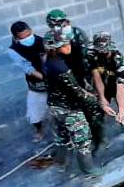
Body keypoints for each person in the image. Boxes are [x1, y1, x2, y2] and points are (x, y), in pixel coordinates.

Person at [42, 32, 113, 176]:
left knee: (62, 138)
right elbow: (77, 93)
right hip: (70, 110)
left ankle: (61, 163)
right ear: (55, 48)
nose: (69, 47)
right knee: (83, 142)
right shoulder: (60, 67)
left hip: (54, 107)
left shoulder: (47, 60)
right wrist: (98, 100)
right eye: (65, 45)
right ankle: (89, 171)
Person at [87, 31, 124, 166]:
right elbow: (96, 77)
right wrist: (102, 99)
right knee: (96, 113)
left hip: (118, 86)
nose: (103, 54)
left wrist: (121, 110)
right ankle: (103, 141)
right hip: (103, 84)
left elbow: (120, 88)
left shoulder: (119, 60)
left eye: (105, 51)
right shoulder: (92, 54)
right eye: (100, 51)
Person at [7, 21, 48, 142]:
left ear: (31, 30)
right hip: (36, 82)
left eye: (28, 35)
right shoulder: (13, 50)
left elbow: (50, 56)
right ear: (16, 37)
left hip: (53, 76)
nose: (27, 38)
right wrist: (43, 77)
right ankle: (39, 129)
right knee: (34, 110)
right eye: (23, 37)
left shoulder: (42, 41)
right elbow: (26, 67)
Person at [45, 9, 92, 88]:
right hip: (65, 68)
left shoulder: (76, 32)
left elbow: (86, 52)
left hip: (81, 64)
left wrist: (88, 72)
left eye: (62, 22)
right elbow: (51, 55)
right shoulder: (50, 36)